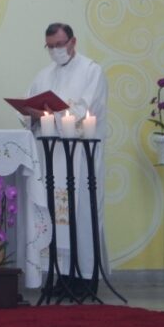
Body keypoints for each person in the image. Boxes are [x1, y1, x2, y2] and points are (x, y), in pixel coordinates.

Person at [22, 22, 108, 292]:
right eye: (51, 46)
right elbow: (28, 107)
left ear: (73, 42)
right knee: (54, 213)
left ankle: (85, 278)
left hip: (79, 155)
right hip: (51, 156)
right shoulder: (43, 75)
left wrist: (53, 115)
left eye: (60, 44)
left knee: (80, 213)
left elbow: (84, 108)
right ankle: (59, 275)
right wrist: (31, 114)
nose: (56, 50)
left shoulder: (91, 71)